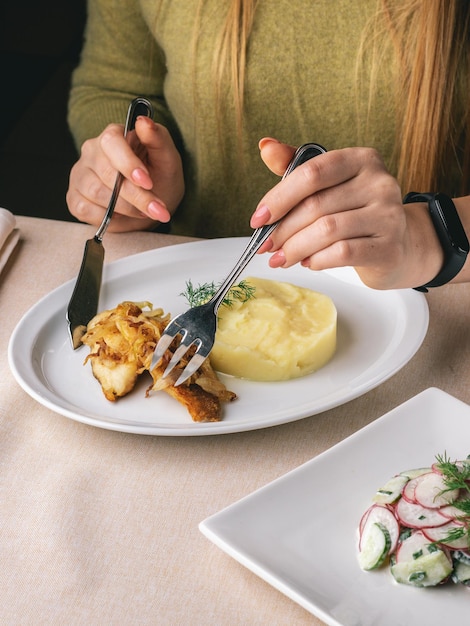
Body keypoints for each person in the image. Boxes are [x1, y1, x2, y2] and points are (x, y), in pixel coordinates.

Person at [66, 0, 470, 291]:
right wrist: (134, 175)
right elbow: (115, 82)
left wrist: (425, 236)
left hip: (437, 313)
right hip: (185, 285)